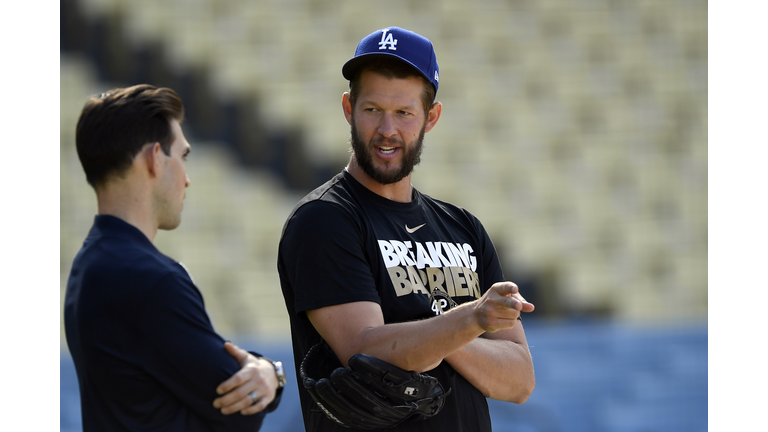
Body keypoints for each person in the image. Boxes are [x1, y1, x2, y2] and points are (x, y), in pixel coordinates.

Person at [277, 26, 536, 432]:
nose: (386, 130)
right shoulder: (323, 220)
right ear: (348, 108)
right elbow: (365, 351)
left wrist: (437, 332)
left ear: (430, 117)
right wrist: (468, 322)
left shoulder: (463, 227)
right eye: (372, 109)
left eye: (403, 113)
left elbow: (519, 379)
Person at [64, 84, 286, 432]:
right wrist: (271, 376)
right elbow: (244, 408)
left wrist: (266, 373)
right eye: (182, 157)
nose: (187, 179)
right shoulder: (149, 278)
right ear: (154, 158)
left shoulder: (90, 262)